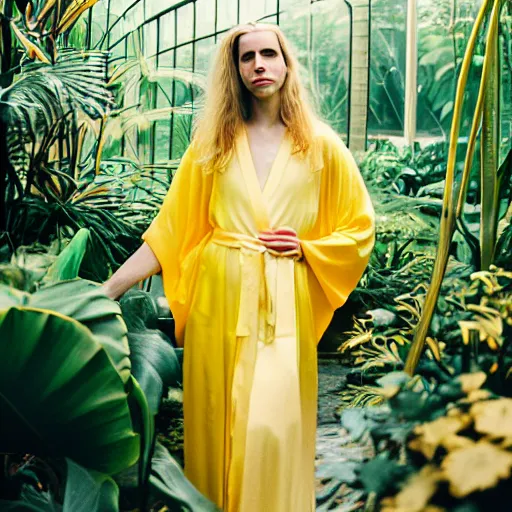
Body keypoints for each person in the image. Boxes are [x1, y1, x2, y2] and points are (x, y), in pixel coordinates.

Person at [102, 22, 375, 512]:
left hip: (282, 305)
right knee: (218, 422)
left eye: (269, 54)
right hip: (219, 302)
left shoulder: (322, 147)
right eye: (246, 58)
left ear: (287, 64)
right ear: (235, 71)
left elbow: (358, 230)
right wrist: (110, 289)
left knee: (273, 425)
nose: (259, 65)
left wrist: (309, 248)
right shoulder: (213, 147)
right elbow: (170, 232)